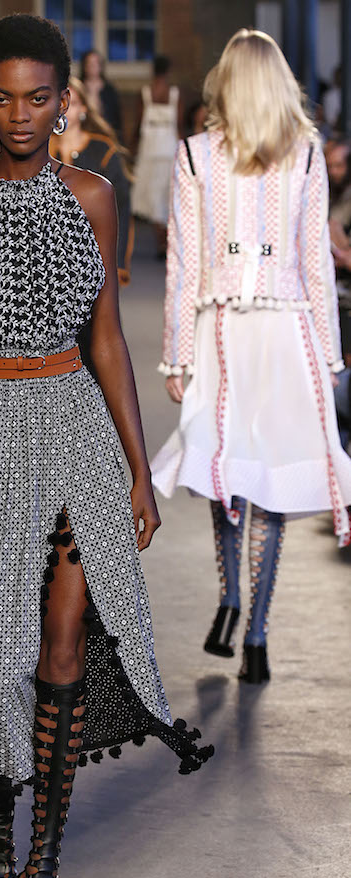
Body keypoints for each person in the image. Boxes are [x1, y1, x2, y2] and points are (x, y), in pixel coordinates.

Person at [0, 14, 212, 878]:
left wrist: (137, 465)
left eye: (38, 97)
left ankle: (44, 875)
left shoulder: (94, 198)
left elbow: (105, 337)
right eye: (2, 98)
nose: (20, 114)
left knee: (63, 650)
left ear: (64, 101)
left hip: (71, 425)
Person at [150, 29, 351, 684]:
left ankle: (235, 602)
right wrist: (329, 356)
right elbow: (317, 266)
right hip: (284, 332)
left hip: (225, 332)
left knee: (232, 470)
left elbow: (184, 266)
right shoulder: (301, 155)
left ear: (227, 84)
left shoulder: (200, 154)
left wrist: (179, 356)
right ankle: (255, 630)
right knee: (260, 478)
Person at [51, 76, 132, 282]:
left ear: (84, 108)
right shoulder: (39, 149)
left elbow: (120, 206)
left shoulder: (102, 150)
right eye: (58, 102)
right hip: (49, 259)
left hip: (93, 256)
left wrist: (118, 262)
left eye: (72, 103)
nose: (65, 109)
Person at [131, 55, 182, 258]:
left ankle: (162, 240)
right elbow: (179, 126)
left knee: (155, 196)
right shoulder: (173, 94)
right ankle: (166, 241)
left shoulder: (147, 93)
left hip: (152, 151)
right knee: (166, 195)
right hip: (167, 150)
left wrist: (132, 150)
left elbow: (137, 125)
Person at [79, 49, 122, 137]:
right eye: (89, 63)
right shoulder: (78, 88)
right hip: (83, 132)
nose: (92, 67)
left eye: (95, 63)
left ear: (101, 66)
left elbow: (116, 119)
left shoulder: (109, 91)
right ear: (84, 65)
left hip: (105, 134)